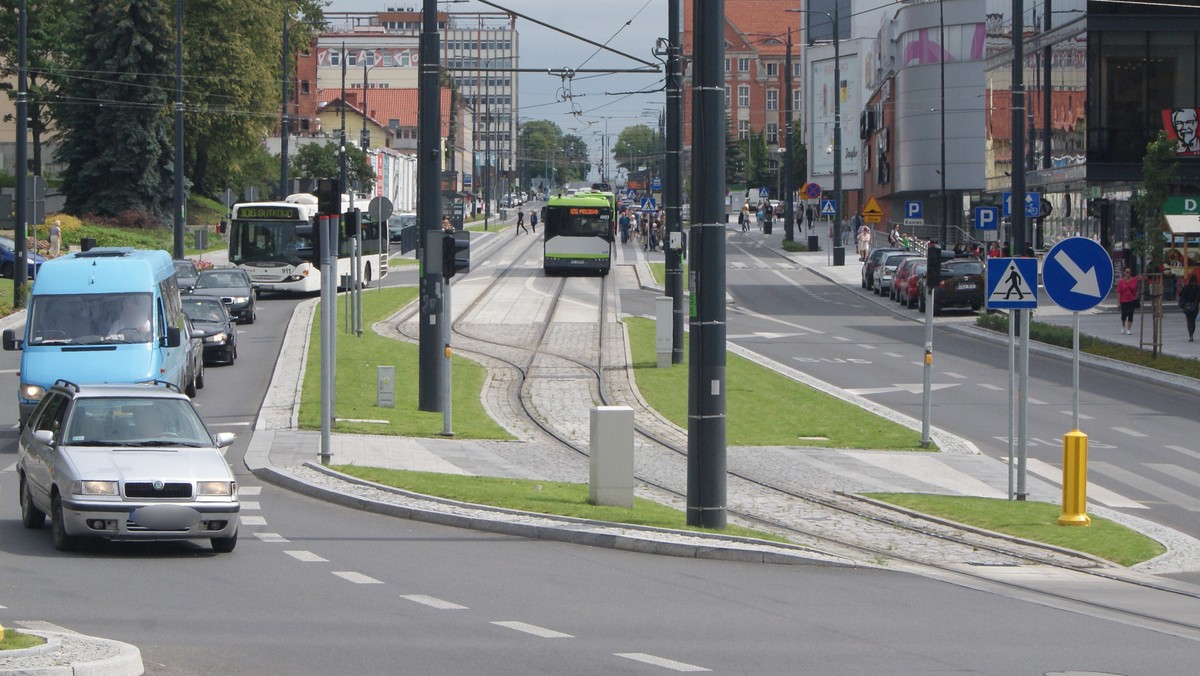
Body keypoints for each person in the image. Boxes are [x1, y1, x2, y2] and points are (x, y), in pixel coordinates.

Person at [1116, 267, 1139, 335]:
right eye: (1126, 272)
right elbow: (1119, 292)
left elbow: (1136, 290)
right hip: (1123, 300)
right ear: (1124, 273)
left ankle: (1129, 329)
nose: (1128, 273)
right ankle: (1123, 325)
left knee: (1131, 313)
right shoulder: (1121, 281)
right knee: (1124, 314)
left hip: (1132, 299)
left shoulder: (1134, 280)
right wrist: (1118, 302)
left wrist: (1136, 297)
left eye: (1129, 272)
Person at [1179, 273, 1200, 342]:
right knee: (1193, 321)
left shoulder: (1186, 287)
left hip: (1187, 305)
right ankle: (1192, 333)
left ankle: (1190, 335)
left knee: (1189, 320)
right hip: (1195, 306)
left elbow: (1180, 294)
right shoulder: (1198, 287)